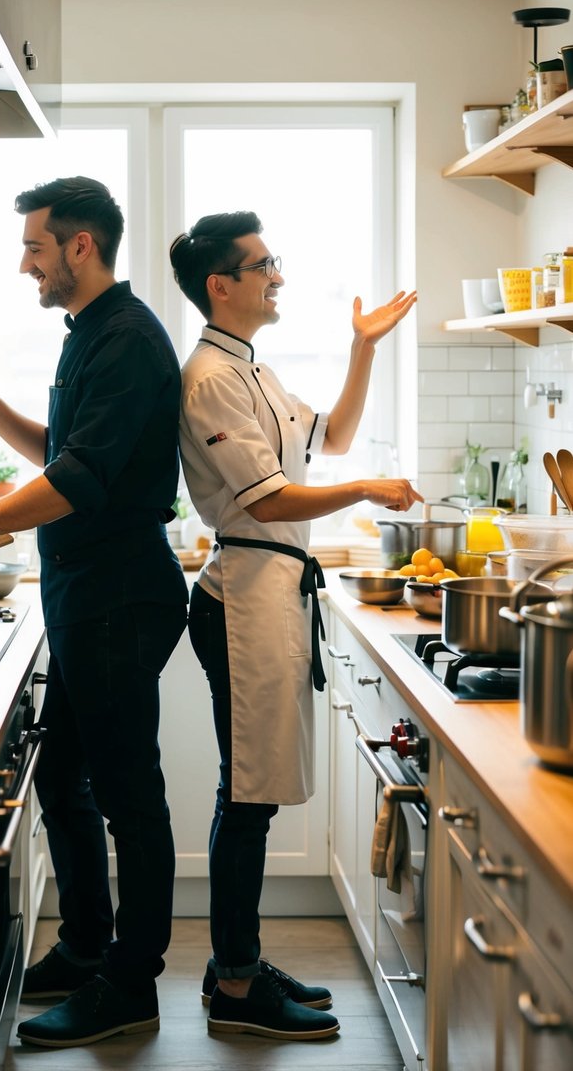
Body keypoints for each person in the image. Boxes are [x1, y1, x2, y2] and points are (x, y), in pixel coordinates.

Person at [0, 176, 189, 1048]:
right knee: (66, 781)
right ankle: (87, 945)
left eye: (34, 246)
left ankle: (129, 984)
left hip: (116, 599)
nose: (23, 262)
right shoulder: (91, 334)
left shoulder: (131, 342)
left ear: (80, 247)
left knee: (127, 794)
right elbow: (65, 452)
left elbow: (75, 483)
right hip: (84, 599)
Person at [169, 211, 422, 1042]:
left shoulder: (253, 371)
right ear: (221, 284)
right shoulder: (208, 378)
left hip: (271, 593)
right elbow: (269, 499)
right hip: (241, 598)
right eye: (263, 264)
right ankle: (236, 987)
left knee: (254, 796)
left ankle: (231, 966)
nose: (276, 275)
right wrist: (363, 492)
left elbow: (334, 437)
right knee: (247, 799)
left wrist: (364, 348)